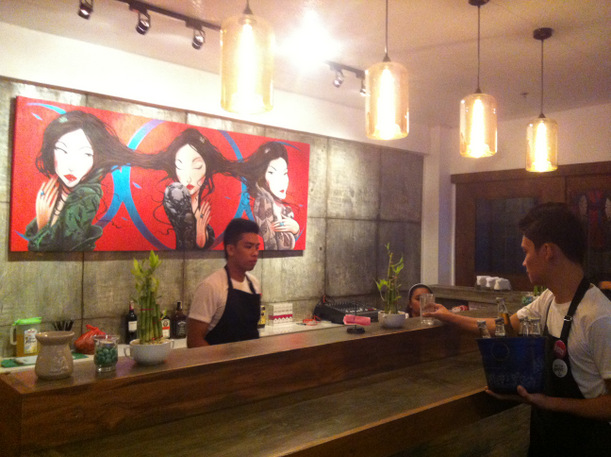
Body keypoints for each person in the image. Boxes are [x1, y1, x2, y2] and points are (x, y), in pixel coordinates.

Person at [424, 202, 611, 456]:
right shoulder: (548, 300)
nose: (523, 262)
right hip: (547, 439)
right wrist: (449, 316)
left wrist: (549, 402)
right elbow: (502, 327)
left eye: (526, 251)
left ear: (548, 251)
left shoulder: (598, 316)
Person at [25, 111, 144, 251]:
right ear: (51, 151)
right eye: (63, 150)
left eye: (86, 154)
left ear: (96, 158)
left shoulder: (86, 196)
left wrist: (42, 224)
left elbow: (66, 249)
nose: (72, 166)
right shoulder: (56, 193)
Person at [152, 128, 237, 250]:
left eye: (197, 166)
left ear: (207, 170)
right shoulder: (175, 193)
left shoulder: (205, 220)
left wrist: (201, 237)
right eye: (179, 166)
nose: (188, 178)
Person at [187, 218, 262, 346]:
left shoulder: (254, 284)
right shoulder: (211, 286)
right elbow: (194, 341)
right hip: (221, 359)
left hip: (251, 357)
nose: (255, 253)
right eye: (248, 247)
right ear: (230, 249)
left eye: (257, 247)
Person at [236, 141, 299, 250]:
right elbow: (273, 246)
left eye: (284, 173)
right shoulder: (263, 204)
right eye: (272, 173)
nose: (282, 181)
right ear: (262, 177)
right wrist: (294, 230)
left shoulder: (285, 209)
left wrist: (295, 229)